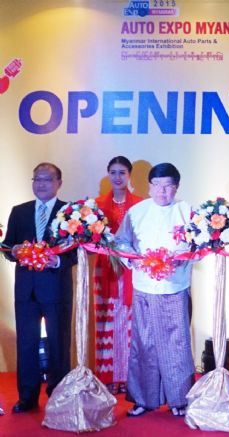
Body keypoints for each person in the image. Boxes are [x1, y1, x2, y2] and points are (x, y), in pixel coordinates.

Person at [115, 163, 194, 417]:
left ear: (176, 187)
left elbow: (200, 245)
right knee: (143, 343)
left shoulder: (187, 211)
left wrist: (179, 257)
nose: (162, 191)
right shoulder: (136, 212)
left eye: (168, 186)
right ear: (149, 187)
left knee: (176, 343)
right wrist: (134, 260)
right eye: (157, 185)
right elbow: (121, 243)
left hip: (174, 287)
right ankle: (143, 399)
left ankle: (179, 400)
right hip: (144, 287)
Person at [3, 163, 77, 413]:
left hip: (56, 289)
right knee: (26, 343)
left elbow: (78, 252)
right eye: (37, 179)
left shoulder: (70, 213)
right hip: (26, 291)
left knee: (59, 343)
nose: (41, 184)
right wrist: (13, 251)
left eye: (47, 179)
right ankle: (27, 396)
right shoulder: (19, 211)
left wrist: (57, 260)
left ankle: (58, 396)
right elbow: (5, 246)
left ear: (59, 183)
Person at [94, 156, 143, 394]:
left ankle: (129, 377)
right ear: (107, 174)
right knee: (106, 320)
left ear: (129, 175)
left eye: (122, 172)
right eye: (112, 172)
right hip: (105, 269)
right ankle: (107, 377)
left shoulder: (141, 204)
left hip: (132, 269)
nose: (117, 177)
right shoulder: (95, 206)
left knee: (131, 321)